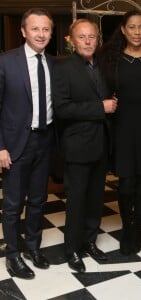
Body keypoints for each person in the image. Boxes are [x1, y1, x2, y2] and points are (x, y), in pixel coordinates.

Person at [52, 19, 117, 273]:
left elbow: (105, 96)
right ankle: (72, 250)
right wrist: (100, 107)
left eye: (92, 36)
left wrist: (111, 102)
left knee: (95, 199)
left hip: (101, 144)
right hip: (77, 147)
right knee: (77, 201)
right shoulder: (63, 68)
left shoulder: (101, 65)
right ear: (71, 40)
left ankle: (90, 242)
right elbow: (62, 108)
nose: (88, 41)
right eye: (82, 37)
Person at [100, 10, 141, 255]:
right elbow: (99, 87)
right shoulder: (111, 57)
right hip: (122, 125)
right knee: (126, 182)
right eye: (132, 27)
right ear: (123, 30)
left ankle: (138, 226)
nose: (137, 32)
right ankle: (127, 227)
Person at [0, 8, 54, 279]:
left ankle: (33, 247)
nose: (41, 34)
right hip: (15, 145)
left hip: (44, 142)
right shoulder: (6, 62)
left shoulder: (53, 63)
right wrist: (0, 147)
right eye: (35, 29)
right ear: (23, 31)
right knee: (12, 204)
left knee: (38, 200)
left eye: (46, 29)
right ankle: (12, 255)